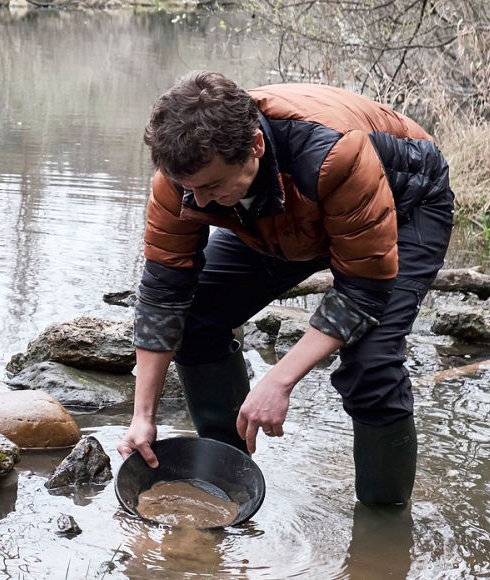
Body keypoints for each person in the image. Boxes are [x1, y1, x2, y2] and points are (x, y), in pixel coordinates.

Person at [117, 72, 453, 505]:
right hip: (283, 211)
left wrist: (279, 379)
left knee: (371, 364)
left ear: (254, 147)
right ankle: (227, 479)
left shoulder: (336, 152)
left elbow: (362, 291)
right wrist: (142, 416)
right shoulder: (183, 179)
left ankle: (382, 525)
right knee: (196, 319)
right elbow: (164, 294)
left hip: (407, 204)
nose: (196, 203)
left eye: (212, 187)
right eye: (188, 189)